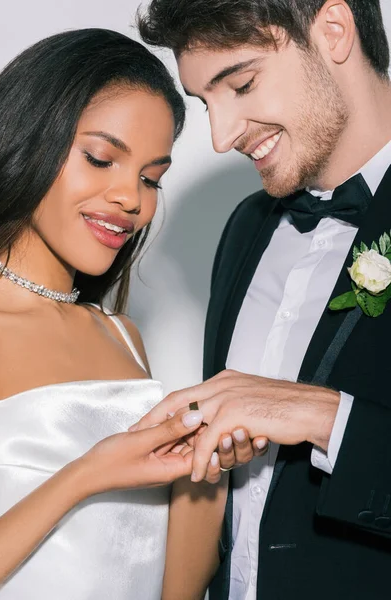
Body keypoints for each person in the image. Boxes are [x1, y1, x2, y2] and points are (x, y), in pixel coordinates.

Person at [135, 1, 391, 598]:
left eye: (242, 84)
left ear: (332, 31)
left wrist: (324, 417)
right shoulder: (245, 227)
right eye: (205, 103)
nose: (221, 137)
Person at [0, 28, 229, 600]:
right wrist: (89, 475)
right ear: (29, 136)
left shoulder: (124, 337)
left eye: (152, 178)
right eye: (101, 159)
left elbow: (176, 586)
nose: (133, 200)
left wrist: (206, 466)